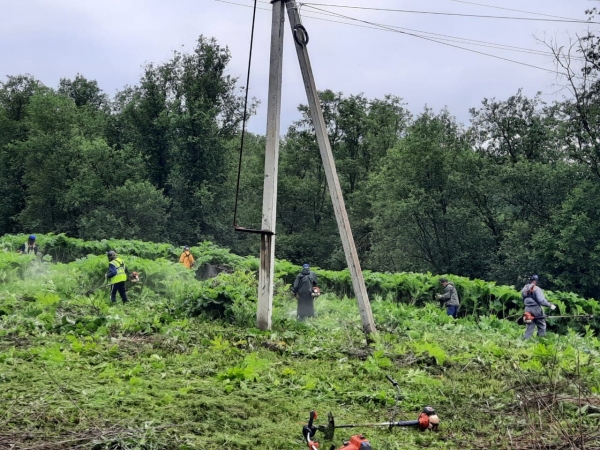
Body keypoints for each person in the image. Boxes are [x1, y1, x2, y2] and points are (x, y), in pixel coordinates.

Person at [522, 275, 555, 340]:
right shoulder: (536, 288)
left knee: (530, 325)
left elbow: (522, 299)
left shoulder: (524, 289)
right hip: (535, 308)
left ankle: (525, 340)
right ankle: (541, 340)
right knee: (541, 324)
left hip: (527, 308)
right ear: (534, 281)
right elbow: (541, 300)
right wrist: (550, 305)